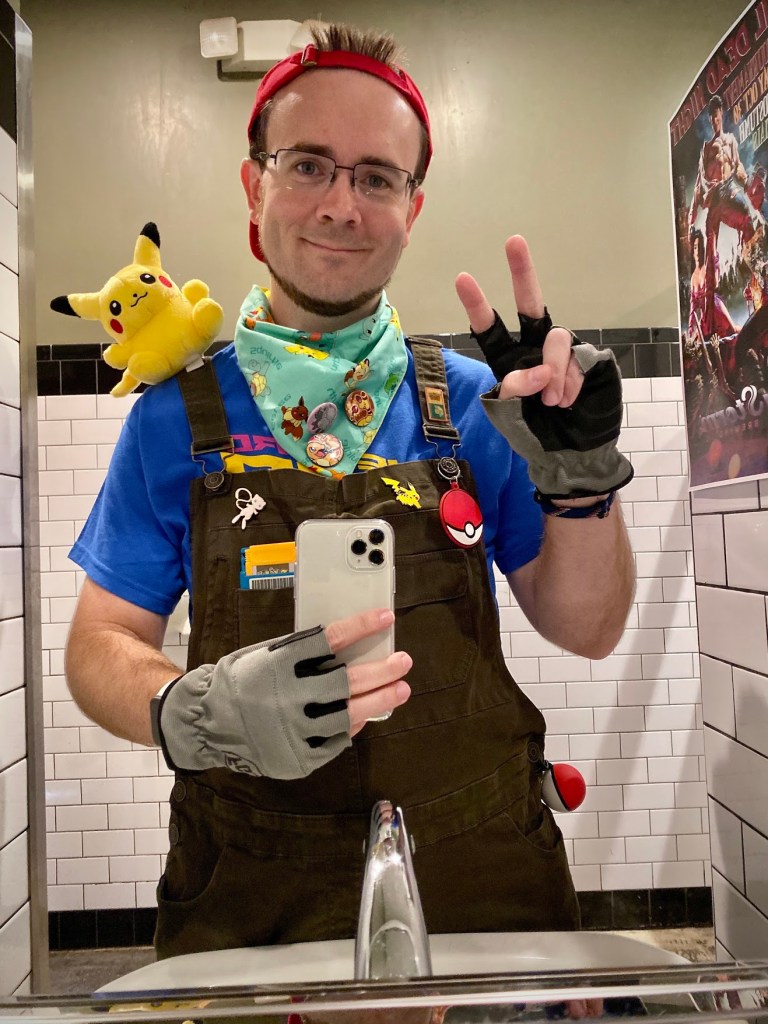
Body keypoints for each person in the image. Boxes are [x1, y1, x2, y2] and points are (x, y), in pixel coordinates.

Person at [64, 22, 635, 961]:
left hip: (484, 885)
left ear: (412, 206)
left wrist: (581, 479)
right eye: (307, 165)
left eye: (376, 177)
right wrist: (188, 708)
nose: (341, 205)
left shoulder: (482, 402)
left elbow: (589, 627)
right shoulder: (172, 419)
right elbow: (99, 644)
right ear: (253, 186)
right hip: (247, 897)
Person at [688, 94, 764, 336]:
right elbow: (701, 180)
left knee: (751, 221)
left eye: (717, 115)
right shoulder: (706, 147)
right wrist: (695, 209)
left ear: (721, 114)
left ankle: (757, 278)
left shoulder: (730, 140)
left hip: (730, 188)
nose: (715, 120)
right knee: (709, 255)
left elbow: (738, 165)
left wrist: (746, 178)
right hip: (715, 197)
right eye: (711, 117)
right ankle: (710, 319)